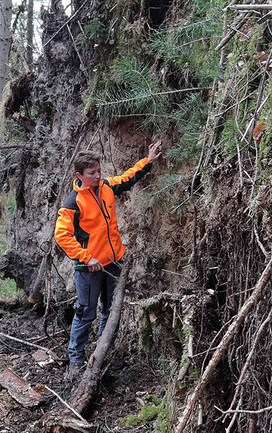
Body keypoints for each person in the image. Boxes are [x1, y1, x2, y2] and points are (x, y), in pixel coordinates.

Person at [55, 141, 162, 378]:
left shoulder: (105, 187)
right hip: (89, 268)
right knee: (86, 313)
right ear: (79, 175)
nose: (97, 176)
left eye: (98, 171)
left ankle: (105, 356)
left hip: (113, 263)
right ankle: (76, 361)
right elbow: (62, 236)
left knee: (110, 311)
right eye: (92, 173)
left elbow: (127, 178)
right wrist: (86, 257)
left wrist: (148, 160)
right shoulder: (73, 203)